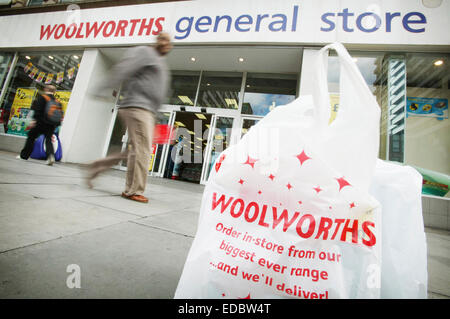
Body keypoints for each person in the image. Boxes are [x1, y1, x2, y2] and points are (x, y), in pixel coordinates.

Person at [86, 32, 172, 204]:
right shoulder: (144, 52)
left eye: (169, 42)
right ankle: (134, 190)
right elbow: (123, 69)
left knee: (135, 151)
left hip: (148, 111)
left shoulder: (160, 63)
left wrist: (157, 115)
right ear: (157, 41)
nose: (167, 44)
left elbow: (158, 92)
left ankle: (98, 167)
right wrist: (103, 87)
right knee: (143, 151)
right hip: (137, 107)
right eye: (163, 40)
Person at [17, 84, 61, 165]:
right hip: (51, 124)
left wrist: (34, 120)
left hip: (40, 122)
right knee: (48, 140)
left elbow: (38, 110)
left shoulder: (42, 98)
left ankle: (24, 155)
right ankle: (50, 156)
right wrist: (55, 124)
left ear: (45, 89)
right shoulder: (57, 101)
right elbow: (60, 115)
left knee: (31, 137)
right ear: (54, 92)